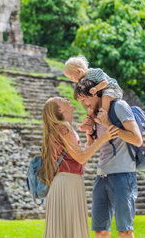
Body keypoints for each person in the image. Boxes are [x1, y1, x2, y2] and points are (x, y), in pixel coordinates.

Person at [74, 78, 143, 238]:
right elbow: (92, 147)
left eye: (85, 99)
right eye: (80, 102)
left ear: (96, 93)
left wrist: (108, 124)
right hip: (102, 175)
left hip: (123, 175)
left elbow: (137, 139)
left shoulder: (119, 106)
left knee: (124, 231)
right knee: (100, 231)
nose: (84, 105)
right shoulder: (94, 115)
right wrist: (89, 135)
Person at [41, 97, 119, 238]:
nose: (65, 98)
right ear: (60, 110)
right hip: (67, 183)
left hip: (69, 181)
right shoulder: (63, 128)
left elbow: (79, 162)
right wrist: (103, 138)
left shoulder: (65, 129)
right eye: (61, 100)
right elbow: (81, 158)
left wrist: (89, 141)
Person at [64, 55, 123, 131]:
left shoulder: (94, 72)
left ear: (79, 71)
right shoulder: (83, 80)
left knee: (106, 97)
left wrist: (96, 88)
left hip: (111, 88)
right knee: (91, 108)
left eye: (71, 77)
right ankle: (89, 124)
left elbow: (105, 82)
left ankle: (103, 115)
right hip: (101, 91)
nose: (72, 80)